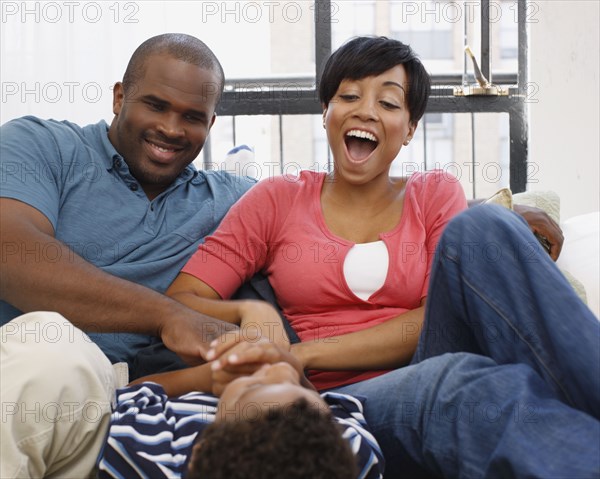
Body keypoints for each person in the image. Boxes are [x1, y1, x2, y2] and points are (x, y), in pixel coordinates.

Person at [166, 36, 599, 477]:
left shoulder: (434, 193)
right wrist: (250, 310)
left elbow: (436, 316)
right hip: (350, 399)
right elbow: (181, 301)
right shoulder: (276, 200)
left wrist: (305, 354)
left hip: (431, 355)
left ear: (410, 128)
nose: (366, 111)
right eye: (348, 96)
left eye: (389, 104)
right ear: (326, 113)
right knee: (466, 386)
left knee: (483, 226)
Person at [0, 33, 256, 373]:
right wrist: (170, 317)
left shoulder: (231, 198)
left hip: (133, 390)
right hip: (27, 366)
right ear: (120, 98)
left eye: (192, 117)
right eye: (156, 106)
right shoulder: (40, 145)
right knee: (51, 354)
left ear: (210, 124)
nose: (171, 129)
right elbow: (12, 253)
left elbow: (323, 203)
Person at [1, 315, 383, 478]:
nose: (275, 368)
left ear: (202, 447)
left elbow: (125, 393)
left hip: (88, 423)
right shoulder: (351, 452)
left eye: (252, 385)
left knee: (49, 344)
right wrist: (293, 367)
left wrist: (206, 378)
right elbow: (340, 408)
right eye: (302, 393)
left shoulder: (152, 454)